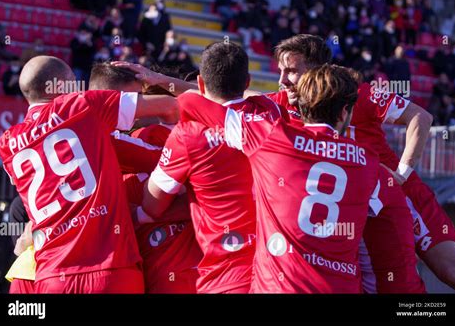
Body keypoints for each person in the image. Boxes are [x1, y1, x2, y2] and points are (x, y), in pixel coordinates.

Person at [155, 43, 381, 293]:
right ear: (344, 113)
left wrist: (182, 92)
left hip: (280, 284)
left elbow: (205, 108)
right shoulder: (368, 160)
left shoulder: (275, 139)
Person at [265, 34, 455, 292]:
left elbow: (420, 117)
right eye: (280, 71)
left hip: (401, 198)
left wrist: (401, 174)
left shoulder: (357, 93)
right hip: (353, 210)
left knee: (453, 273)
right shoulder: (283, 103)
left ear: (318, 71)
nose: (282, 81)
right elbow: (236, 100)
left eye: (291, 71)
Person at [0, 55, 178, 293]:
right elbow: (171, 106)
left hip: (50, 276)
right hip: (110, 270)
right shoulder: (83, 105)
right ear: (61, 87)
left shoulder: (7, 143)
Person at [124, 45, 257, 294]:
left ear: (200, 83)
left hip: (222, 273)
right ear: (247, 81)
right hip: (272, 267)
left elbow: (152, 205)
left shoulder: (187, 135)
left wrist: (134, 215)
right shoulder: (270, 116)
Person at [88, 62, 202, 293]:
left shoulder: (146, 137)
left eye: (144, 95)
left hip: (149, 269)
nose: (141, 103)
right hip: (143, 268)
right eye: (137, 96)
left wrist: (139, 214)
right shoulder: (123, 140)